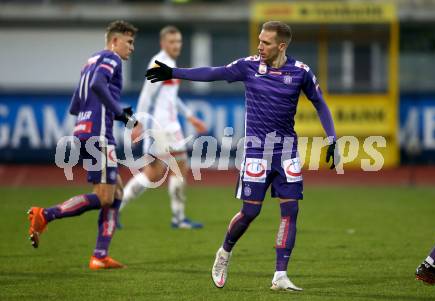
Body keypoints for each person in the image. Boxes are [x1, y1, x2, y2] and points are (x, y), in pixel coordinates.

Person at [146, 21, 337, 291]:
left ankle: (280, 275)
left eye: (266, 42)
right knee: (250, 212)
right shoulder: (248, 66)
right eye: (259, 40)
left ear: (281, 46)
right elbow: (213, 73)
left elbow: (319, 102)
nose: (260, 46)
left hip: (286, 152)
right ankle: (223, 254)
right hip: (256, 152)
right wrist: (173, 72)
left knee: (290, 210)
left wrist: (332, 137)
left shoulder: (300, 72)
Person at [27, 20, 138, 270]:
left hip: (85, 130)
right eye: (129, 42)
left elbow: (75, 104)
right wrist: (120, 113)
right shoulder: (111, 58)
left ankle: (100, 255)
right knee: (105, 196)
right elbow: (99, 84)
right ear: (114, 41)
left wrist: (110, 113)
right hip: (99, 134)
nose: (131, 48)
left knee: (116, 193)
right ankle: (46, 214)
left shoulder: (90, 61)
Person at [120, 25, 206, 229]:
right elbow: (146, 96)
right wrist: (136, 123)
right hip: (164, 126)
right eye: (172, 42)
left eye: (179, 42)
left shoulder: (169, 63)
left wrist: (190, 116)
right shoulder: (159, 63)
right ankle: (178, 218)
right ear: (163, 43)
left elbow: (171, 97)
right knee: (179, 166)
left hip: (168, 124)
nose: (176, 45)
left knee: (154, 173)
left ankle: (116, 209)